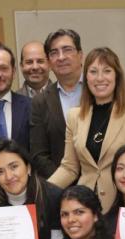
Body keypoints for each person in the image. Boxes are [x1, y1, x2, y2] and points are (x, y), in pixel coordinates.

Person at [48, 47, 125, 214]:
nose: (100, 78)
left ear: (117, 76)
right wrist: (42, 191)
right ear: (86, 77)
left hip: (124, 205)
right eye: (93, 72)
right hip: (85, 209)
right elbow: (69, 167)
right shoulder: (75, 116)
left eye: (107, 71)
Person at [30, 28, 85, 177]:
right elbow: (39, 155)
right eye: (54, 53)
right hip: (60, 190)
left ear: (80, 55)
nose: (61, 57)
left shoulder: (99, 90)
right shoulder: (40, 102)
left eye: (67, 50)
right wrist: (64, 184)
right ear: (49, 62)